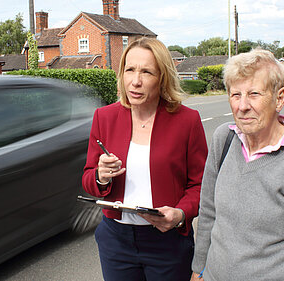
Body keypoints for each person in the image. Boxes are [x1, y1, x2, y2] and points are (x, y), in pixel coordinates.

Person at [191, 48, 284, 281]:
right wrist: (198, 270)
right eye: (235, 95)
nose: (242, 106)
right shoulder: (224, 139)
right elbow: (208, 213)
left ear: (279, 98)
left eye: (254, 94)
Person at [82, 37, 208, 281]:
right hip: (116, 241)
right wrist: (101, 176)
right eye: (129, 70)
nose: (135, 81)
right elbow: (88, 178)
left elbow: (201, 185)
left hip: (167, 243)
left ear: (162, 78)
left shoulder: (187, 121)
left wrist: (180, 214)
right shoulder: (104, 117)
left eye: (147, 72)